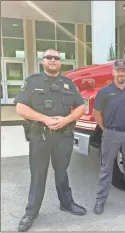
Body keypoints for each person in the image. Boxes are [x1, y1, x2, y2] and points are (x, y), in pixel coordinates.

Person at [14, 49, 87, 232]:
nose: (53, 60)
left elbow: (80, 107)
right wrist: (44, 118)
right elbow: (21, 107)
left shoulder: (68, 84)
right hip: (40, 136)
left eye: (56, 58)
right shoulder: (32, 82)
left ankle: (67, 203)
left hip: (63, 137)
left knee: (62, 172)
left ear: (60, 62)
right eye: (49, 57)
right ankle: (31, 212)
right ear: (43, 61)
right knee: (38, 174)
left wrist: (66, 119)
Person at [93, 59, 125, 215]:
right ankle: (101, 199)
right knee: (106, 168)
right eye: (118, 70)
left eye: (123, 70)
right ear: (113, 72)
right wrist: (106, 129)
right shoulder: (104, 91)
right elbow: (97, 114)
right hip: (110, 133)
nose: (120, 73)